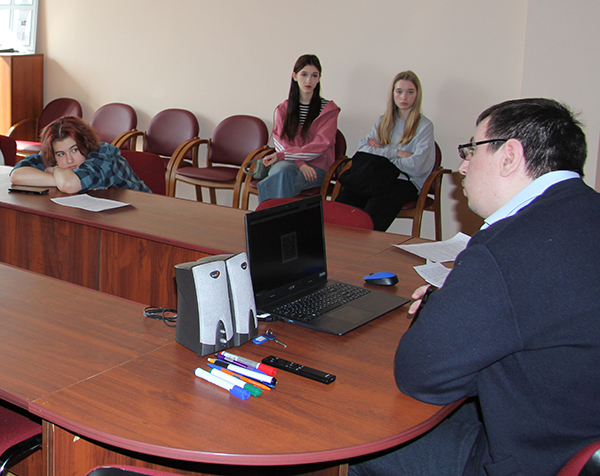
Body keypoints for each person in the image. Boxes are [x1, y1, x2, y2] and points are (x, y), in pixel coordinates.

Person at [350, 98, 600, 476]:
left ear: (509, 156)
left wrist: (440, 309)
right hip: (574, 430)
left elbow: (420, 377)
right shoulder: (584, 214)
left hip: (533, 459)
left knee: (351, 434)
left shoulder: (506, 249)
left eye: (471, 150)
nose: (463, 166)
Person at [335, 70, 435, 231]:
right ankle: (338, 241)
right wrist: (397, 153)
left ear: (417, 95)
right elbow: (363, 149)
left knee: (377, 205)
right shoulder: (384, 121)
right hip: (378, 176)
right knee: (346, 199)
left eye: (410, 92)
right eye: (399, 91)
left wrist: (382, 152)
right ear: (393, 94)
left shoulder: (424, 126)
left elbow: (416, 166)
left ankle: (365, 244)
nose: (404, 97)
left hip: (406, 181)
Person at [255, 54, 340, 202]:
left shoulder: (328, 110)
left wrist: (295, 161)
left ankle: (269, 214)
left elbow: (320, 145)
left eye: (314, 76)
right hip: (287, 164)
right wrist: (300, 164)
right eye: (304, 74)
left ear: (319, 78)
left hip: (315, 168)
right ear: (295, 76)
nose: (309, 80)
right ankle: (278, 216)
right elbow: (280, 142)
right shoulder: (283, 109)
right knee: (282, 173)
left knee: (280, 180)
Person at [11, 115, 150, 193]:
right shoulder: (53, 156)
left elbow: (68, 185)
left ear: (86, 144)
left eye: (74, 150)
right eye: (61, 154)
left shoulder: (104, 155)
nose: (69, 160)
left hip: (142, 214)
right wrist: (58, 180)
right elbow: (16, 175)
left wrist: (57, 170)